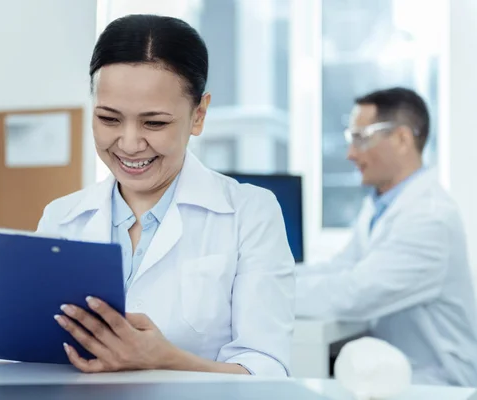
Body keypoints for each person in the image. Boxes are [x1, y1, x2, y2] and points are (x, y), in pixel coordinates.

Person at [36, 14, 295, 376]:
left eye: (154, 123)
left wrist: (164, 359)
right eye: (109, 119)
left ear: (199, 115)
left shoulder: (250, 213)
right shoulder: (61, 217)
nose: (128, 143)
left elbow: (268, 371)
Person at [296, 87, 477, 386]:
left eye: (361, 138)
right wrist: (268, 276)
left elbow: (352, 295)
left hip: (439, 385)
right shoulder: (380, 205)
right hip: (396, 376)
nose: (351, 154)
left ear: (402, 139)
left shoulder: (429, 218)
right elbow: (342, 267)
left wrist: (265, 292)